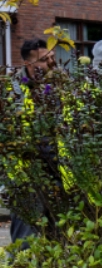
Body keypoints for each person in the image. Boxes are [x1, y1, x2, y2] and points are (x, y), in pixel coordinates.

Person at [6, 39, 59, 244]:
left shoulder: (57, 87)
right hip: (25, 181)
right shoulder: (11, 92)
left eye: (53, 57)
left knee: (56, 243)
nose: (52, 63)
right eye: (45, 60)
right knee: (25, 243)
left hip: (55, 176)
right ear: (29, 64)